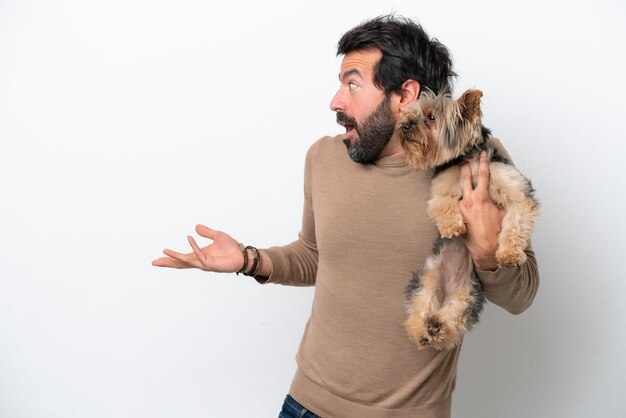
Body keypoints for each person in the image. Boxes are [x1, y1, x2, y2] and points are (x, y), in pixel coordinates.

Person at [152, 14, 539, 418]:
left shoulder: (474, 162)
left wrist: (487, 251)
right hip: (305, 406)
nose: (336, 101)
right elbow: (314, 255)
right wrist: (249, 259)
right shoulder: (324, 157)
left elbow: (522, 295)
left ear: (404, 95)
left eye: (352, 83)